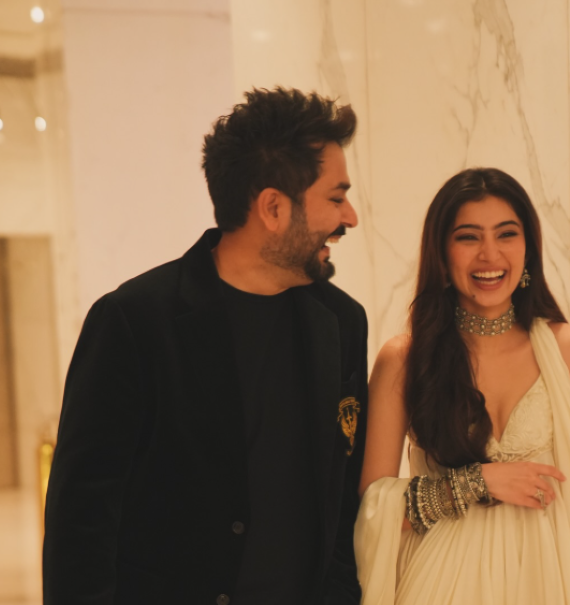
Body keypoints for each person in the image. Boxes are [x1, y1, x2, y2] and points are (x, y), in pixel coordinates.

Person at [43, 88, 368, 605]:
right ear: (273, 207)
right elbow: (81, 520)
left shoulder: (342, 321)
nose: (350, 216)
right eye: (335, 198)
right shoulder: (134, 321)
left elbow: (342, 496)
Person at [355, 168, 570, 604]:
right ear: (441, 253)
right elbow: (371, 507)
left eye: (506, 234)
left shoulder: (566, 349)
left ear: (528, 248)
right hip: (442, 584)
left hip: (552, 579)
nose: (490, 254)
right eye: (468, 237)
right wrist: (477, 482)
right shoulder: (404, 359)